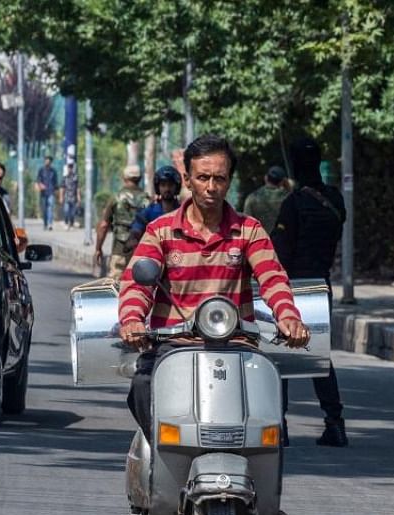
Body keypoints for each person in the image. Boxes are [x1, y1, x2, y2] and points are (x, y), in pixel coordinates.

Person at [118, 134, 310, 438]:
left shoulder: (249, 230)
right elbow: (136, 283)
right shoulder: (161, 230)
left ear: (229, 180)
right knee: (142, 385)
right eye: (203, 177)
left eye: (219, 178)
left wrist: (288, 315)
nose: (211, 186)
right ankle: (158, 454)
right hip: (174, 345)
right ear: (187, 179)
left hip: (237, 344)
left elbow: (272, 277)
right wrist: (131, 319)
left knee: (270, 408)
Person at [271, 138, 349, 447]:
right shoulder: (334, 200)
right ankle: (335, 423)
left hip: (292, 287)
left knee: (280, 355)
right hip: (321, 284)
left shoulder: (293, 203)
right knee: (318, 356)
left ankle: (280, 426)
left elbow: (280, 253)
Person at [94, 165, 150, 280]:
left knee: (115, 285)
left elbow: (104, 225)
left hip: (119, 249)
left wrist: (98, 248)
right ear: (140, 179)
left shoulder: (116, 197)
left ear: (124, 178)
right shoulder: (148, 200)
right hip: (141, 249)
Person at [124, 165, 182, 253]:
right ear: (157, 188)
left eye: (170, 185)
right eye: (163, 185)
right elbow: (137, 229)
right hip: (154, 257)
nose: (167, 189)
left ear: (176, 187)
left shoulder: (184, 212)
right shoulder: (148, 212)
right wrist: (134, 238)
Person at [242, 165, 291, 231]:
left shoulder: (252, 198)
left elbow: (247, 223)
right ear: (282, 182)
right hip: (285, 239)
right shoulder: (288, 197)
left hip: (263, 239)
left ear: (266, 178)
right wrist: (288, 188)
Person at [36, 155, 58, 231]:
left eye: (49, 160)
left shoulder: (53, 171)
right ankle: (45, 223)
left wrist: (56, 191)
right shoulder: (41, 170)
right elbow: (38, 180)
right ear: (44, 161)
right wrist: (40, 185)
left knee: (50, 208)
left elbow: (55, 182)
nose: (47, 162)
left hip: (51, 191)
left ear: (51, 162)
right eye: (46, 160)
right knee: (44, 209)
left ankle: (50, 224)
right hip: (43, 192)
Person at [61, 161, 81, 230]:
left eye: (71, 167)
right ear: (67, 168)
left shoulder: (75, 177)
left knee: (72, 213)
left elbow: (78, 187)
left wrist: (78, 197)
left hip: (73, 197)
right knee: (66, 210)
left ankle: (71, 224)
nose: (70, 169)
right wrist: (61, 197)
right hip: (66, 197)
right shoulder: (65, 177)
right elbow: (62, 187)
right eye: (69, 167)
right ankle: (66, 223)